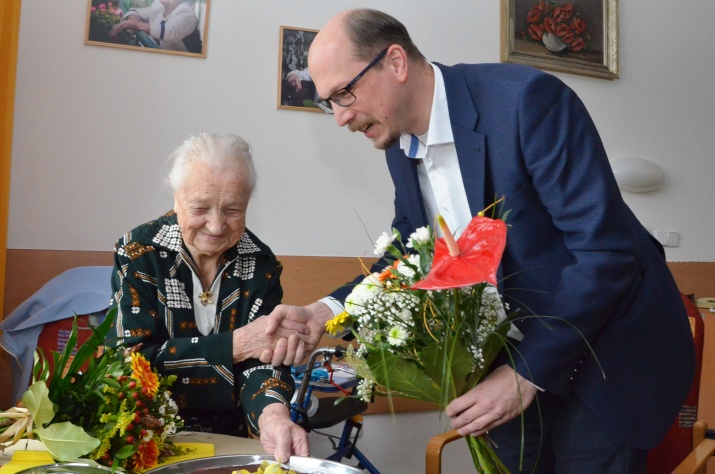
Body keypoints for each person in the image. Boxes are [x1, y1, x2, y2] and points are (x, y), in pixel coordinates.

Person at [262, 8, 696, 473]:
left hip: (603, 360)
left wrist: (527, 372)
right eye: (330, 102)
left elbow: (605, 252)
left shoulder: (527, 102)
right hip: (507, 358)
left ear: (395, 62)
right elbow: (412, 253)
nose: (341, 117)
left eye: (345, 93)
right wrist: (325, 314)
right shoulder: (398, 145)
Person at [106, 132, 310, 463]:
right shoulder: (139, 254)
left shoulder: (261, 264)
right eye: (200, 207)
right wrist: (237, 345)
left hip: (229, 442)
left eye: (233, 209)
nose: (216, 226)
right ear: (176, 198)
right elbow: (132, 362)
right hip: (146, 439)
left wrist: (273, 415)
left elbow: (264, 362)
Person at [109, 0, 203, 53]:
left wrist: (133, 24)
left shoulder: (186, 12)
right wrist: (133, 19)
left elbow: (169, 32)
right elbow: (136, 11)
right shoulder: (158, 5)